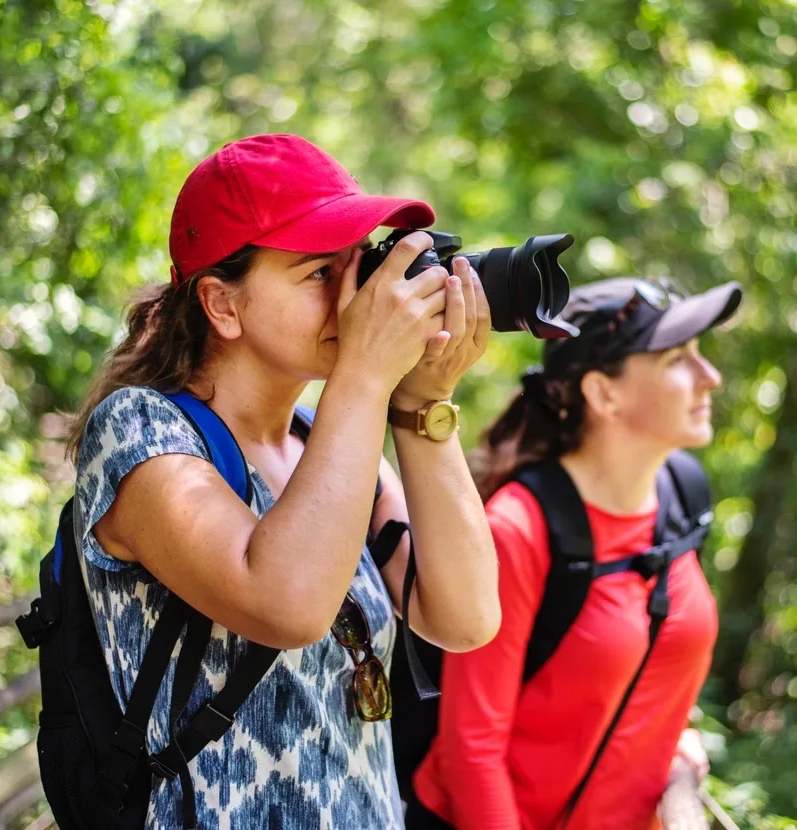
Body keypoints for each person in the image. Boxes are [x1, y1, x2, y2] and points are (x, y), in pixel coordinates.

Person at [65, 133, 500, 829]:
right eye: (319, 274)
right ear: (222, 304)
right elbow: (288, 604)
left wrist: (421, 404)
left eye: (360, 266)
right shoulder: (140, 433)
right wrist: (364, 376)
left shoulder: (315, 439)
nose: (357, 298)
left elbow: (466, 617)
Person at [406, 277, 742, 830]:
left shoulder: (683, 494)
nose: (710, 378)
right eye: (677, 360)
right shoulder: (519, 529)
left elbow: (648, 656)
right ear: (603, 394)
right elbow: (473, 750)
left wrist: (673, 735)